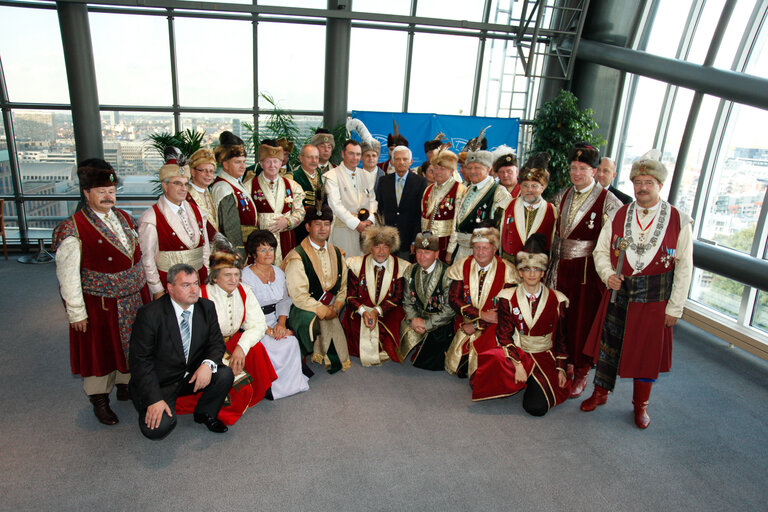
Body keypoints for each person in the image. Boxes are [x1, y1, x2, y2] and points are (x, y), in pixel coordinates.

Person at [581, 151, 693, 429]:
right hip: (619, 292)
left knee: (646, 354)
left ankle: (640, 406)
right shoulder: (619, 214)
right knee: (608, 347)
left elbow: (685, 268)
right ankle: (600, 393)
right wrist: (608, 275)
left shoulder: (680, 220)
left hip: (656, 299)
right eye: (638, 182)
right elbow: (600, 252)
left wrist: (675, 307)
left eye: (649, 182)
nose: (642, 187)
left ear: (660, 185)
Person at [52, 160, 151, 425]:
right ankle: (99, 400)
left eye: (111, 190)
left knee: (132, 345)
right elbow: (68, 277)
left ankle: (125, 385)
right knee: (100, 352)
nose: (108, 196)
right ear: (86, 193)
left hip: (133, 299)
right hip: (100, 305)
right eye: (101, 191)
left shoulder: (124, 217)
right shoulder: (73, 229)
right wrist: (76, 314)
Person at [546, 142, 622, 398]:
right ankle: (563, 363)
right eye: (573, 168)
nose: (576, 173)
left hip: (587, 274)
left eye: (582, 168)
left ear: (594, 171)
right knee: (559, 318)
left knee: (582, 322)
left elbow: (615, 243)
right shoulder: (562, 195)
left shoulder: (608, 201)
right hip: (558, 268)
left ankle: (581, 370)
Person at [129, 264, 235, 439]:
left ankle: (205, 413)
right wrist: (154, 399)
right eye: (186, 285)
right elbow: (140, 361)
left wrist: (207, 365)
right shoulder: (150, 314)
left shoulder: (206, 307)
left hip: (192, 374)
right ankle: (153, 404)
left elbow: (216, 343)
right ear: (170, 288)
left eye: (196, 283)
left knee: (224, 374)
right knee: (157, 430)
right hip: (161, 382)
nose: (194, 290)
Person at [175, 249, 277, 424]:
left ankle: (258, 388)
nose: (234, 279)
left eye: (237, 274)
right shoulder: (200, 295)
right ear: (215, 277)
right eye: (227, 274)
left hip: (233, 341)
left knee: (256, 348)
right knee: (234, 383)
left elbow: (258, 324)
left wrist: (241, 347)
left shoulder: (244, 290)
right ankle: (214, 407)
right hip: (206, 349)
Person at [472, 234, 571, 412]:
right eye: (526, 269)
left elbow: (562, 339)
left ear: (543, 272)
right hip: (517, 351)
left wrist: (561, 368)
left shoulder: (558, 300)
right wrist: (518, 366)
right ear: (520, 272)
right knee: (486, 372)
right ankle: (519, 378)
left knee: (536, 408)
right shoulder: (507, 297)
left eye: (536, 269)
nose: (531, 273)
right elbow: (504, 334)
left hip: (543, 354)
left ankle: (530, 383)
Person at [241, 230, 310, 399]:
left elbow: (284, 301)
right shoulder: (244, 276)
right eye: (262, 250)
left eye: (271, 249)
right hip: (253, 323)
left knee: (290, 341)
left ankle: (293, 383)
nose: (268, 253)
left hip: (274, 318)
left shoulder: (279, 273)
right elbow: (243, 311)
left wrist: (281, 324)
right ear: (253, 253)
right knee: (271, 345)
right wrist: (267, 330)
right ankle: (272, 387)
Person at [283, 206, 351, 373]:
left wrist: (338, 305)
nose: (322, 229)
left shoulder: (337, 252)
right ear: (308, 227)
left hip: (332, 306)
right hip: (302, 309)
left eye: (326, 224)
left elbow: (343, 286)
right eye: (317, 224)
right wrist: (324, 310)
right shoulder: (297, 256)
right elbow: (298, 296)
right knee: (313, 319)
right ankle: (302, 353)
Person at [445, 227, 517, 379]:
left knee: (483, 371)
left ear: (495, 249)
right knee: (459, 368)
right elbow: (453, 300)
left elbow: (504, 312)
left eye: (485, 248)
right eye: (476, 247)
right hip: (465, 322)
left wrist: (478, 325)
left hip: (493, 327)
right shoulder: (462, 265)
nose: (480, 252)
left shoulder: (508, 270)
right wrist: (480, 315)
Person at [139, 150, 210, 298]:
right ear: (164, 186)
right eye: (177, 183)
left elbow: (205, 249)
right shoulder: (151, 217)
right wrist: (157, 289)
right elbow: (147, 258)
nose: (183, 189)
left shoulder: (197, 211)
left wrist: (207, 276)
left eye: (185, 184)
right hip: (171, 285)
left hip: (199, 281)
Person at [343, 226, 408, 367]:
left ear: (391, 248)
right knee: (352, 326)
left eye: (385, 247)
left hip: (386, 312)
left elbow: (397, 297)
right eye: (377, 247)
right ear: (370, 248)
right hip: (361, 311)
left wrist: (377, 311)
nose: (381, 252)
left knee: (396, 320)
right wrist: (364, 312)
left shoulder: (401, 267)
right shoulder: (356, 264)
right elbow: (350, 296)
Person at [399, 232, 456, 370]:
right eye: (419, 252)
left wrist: (427, 324)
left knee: (428, 361)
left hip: (439, 323)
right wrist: (413, 319)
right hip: (416, 317)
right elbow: (407, 301)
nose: (422, 256)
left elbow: (450, 310)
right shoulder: (410, 270)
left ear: (436, 254)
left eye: (427, 252)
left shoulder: (447, 274)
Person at [446, 149, 511, 263]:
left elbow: (502, 230)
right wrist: (450, 250)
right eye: (469, 168)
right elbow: (457, 223)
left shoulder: (499, 192)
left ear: (488, 169)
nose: (472, 171)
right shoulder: (467, 189)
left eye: (477, 168)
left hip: (482, 254)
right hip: (459, 251)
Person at [247, 141, 306, 265]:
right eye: (268, 161)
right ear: (261, 164)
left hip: (286, 239)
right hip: (260, 242)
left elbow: (300, 212)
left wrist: (288, 221)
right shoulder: (249, 186)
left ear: (281, 163)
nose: (272, 165)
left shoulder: (293, 186)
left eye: (275, 161)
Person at [499, 153, 557, 263]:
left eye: (534, 186)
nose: (529, 190)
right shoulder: (505, 207)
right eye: (525, 185)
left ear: (543, 188)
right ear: (520, 186)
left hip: (535, 272)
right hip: (509, 270)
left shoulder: (553, 212)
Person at [324, 139, 378, 257]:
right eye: (351, 153)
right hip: (343, 229)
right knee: (344, 267)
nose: (355, 158)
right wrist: (356, 224)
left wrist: (370, 219)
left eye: (358, 154)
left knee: (364, 268)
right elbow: (335, 205)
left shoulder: (367, 175)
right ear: (343, 154)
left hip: (366, 230)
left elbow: (373, 201)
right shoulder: (331, 176)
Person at [211, 130, 257, 262]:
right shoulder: (224, 188)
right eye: (238, 162)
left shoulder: (235, 183)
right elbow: (230, 230)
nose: (243, 166)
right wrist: (238, 257)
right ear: (225, 164)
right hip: (238, 252)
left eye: (244, 161)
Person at [376, 145, 428, 261]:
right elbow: (380, 209)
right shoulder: (384, 181)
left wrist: (415, 239)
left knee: (404, 274)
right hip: (387, 240)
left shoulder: (420, 182)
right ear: (392, 162)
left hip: (408, 240)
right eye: (398, 159)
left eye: (405, 159)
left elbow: (420, 213)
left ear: (411, 162)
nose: (401, 162)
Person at [420, 147, 466, 263]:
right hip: (427, 244)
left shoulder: (459, 189)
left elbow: (457, 223)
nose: (438, 172)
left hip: (445, 244)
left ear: (451, 171)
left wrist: (450, 251)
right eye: (435, 168)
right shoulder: (428, 189)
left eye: (442, 169)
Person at [291, 144, 324, 244]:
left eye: (316, 157)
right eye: (310, 157)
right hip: (301, 227)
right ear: (301, 158)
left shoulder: (325, 176)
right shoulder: (292, 177)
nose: (314, 161)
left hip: (321, 227)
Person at [186, 147, 219, 234]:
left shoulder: (210, 193)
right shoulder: (186, 196)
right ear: (192, 172)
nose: (208, 175)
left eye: (211, 171)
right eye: (204, 170)